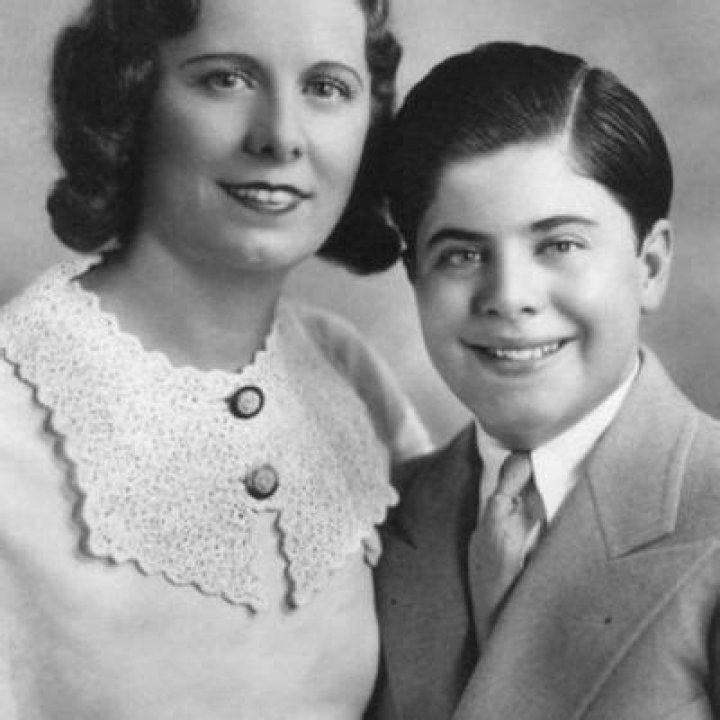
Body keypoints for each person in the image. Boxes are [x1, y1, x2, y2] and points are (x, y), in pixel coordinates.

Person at [0, 0, 432, 717]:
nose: (280, 137)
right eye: (226, 79)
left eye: (326, 87)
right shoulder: (12, 410)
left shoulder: (345, 373)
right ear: (131, 98)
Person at [369, 41, 720, 720]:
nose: (510, 297)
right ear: (415, 279)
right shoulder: (380, 518)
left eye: (560, 245)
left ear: (649, 267)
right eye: (461, 254)